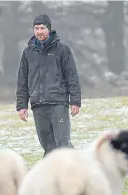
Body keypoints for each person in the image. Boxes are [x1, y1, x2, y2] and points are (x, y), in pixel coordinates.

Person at [16, 13, 81, 157]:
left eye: (42, 28)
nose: (39, 31)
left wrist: (75, 101)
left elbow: (72, 76)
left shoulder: (62, 49)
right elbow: (22, 80)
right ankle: (53, 177)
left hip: (58, 103)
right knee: (48, 147)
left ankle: (77, 171)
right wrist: (21, 105)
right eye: (36, 28)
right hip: (38, 104)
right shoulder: (27, 53)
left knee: (63, 144)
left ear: (49, 29)